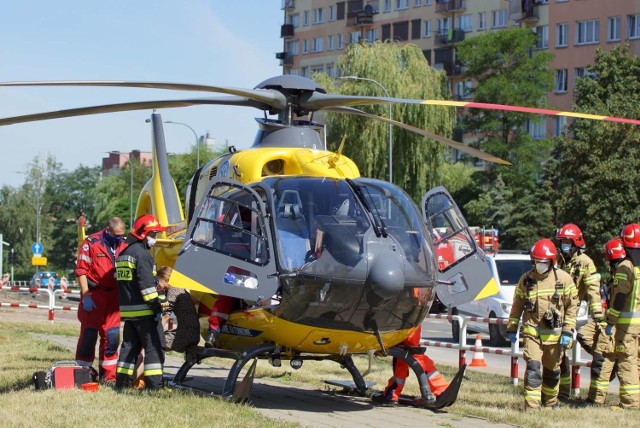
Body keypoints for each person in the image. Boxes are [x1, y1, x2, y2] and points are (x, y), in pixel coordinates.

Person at [506, 238, 578, 410]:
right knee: (533, 368)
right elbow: (517, 306)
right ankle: (531, 407)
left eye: (543, 262)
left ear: (551, 261)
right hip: (533, 334)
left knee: (552, 372)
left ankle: (549, 404)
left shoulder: (564, 280)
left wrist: (568, 332)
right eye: (537, 262)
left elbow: (571, 307)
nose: (539, 265)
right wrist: (512, 328)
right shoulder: (526, 280)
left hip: (555, 336)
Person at [114, 214, 166, 390]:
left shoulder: (123, 254)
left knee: (128, 348)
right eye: (154, 235)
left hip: (129, 312)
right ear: (144, 234)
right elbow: (147, 288)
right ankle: (154, 387)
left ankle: (122, 384)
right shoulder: (142, 255)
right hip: (145, 312)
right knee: (154, 347)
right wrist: (158, 306)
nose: (155, 239)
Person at [74, 216, 126, 382]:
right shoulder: (91, 243)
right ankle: (84, 372)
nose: (119, 238)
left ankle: (108, 376)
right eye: (116, 235)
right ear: (108, 230)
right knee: (89, 335)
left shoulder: (123, 244)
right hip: (95, 293)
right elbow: (81, 271)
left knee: (112, 336)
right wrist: (86, 295)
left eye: (121, 235)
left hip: (114, 295)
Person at [555, 223, 603, 400]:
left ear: (576, 242)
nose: (564, 245)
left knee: (560, 352)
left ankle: (563, 393)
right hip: (554, 311)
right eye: (562, 241)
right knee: (554, 353)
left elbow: (593, 291)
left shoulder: (585, 262)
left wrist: (597, 314)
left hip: (569, 313)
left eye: (567, 242)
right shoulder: (559, 260)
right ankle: (556, 389)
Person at [575, 238, 622, 404]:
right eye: (612, 263)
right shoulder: (614, 279)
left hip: (621, 324)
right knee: (583, 334)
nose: (613, 266)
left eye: (616, 262)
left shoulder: (629, 276)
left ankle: (596, 400)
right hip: (608, 320)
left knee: (602, 360)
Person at [603, 223, 640, 410]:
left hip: (628, 326)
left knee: (627, 361)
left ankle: (631, 403)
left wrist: (611, 321)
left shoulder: (626, 266)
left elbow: (620, 296)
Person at [372, 325, 449, 406]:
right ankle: (391, 395)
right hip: (409, 323)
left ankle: (442, 389)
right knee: (403, 356)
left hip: (405, 325)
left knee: (414, 355)